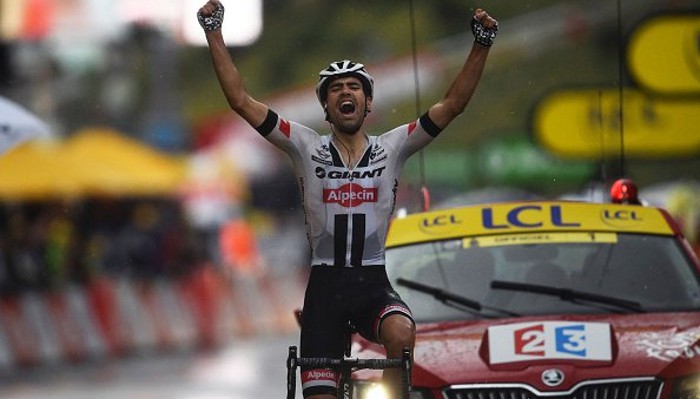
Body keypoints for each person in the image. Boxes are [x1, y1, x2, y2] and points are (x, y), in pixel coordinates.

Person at [196, 2, 498, 398]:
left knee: (401, 332)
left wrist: (482, 44)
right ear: (326, 108)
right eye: (336, 89)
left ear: (368, 103)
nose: (345, 92)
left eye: (354, 86)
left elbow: (452, 105)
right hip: (324, 289)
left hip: (372, 284)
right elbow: (240, 100)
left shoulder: (393, 146)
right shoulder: (303, 144)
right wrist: (214, 32)